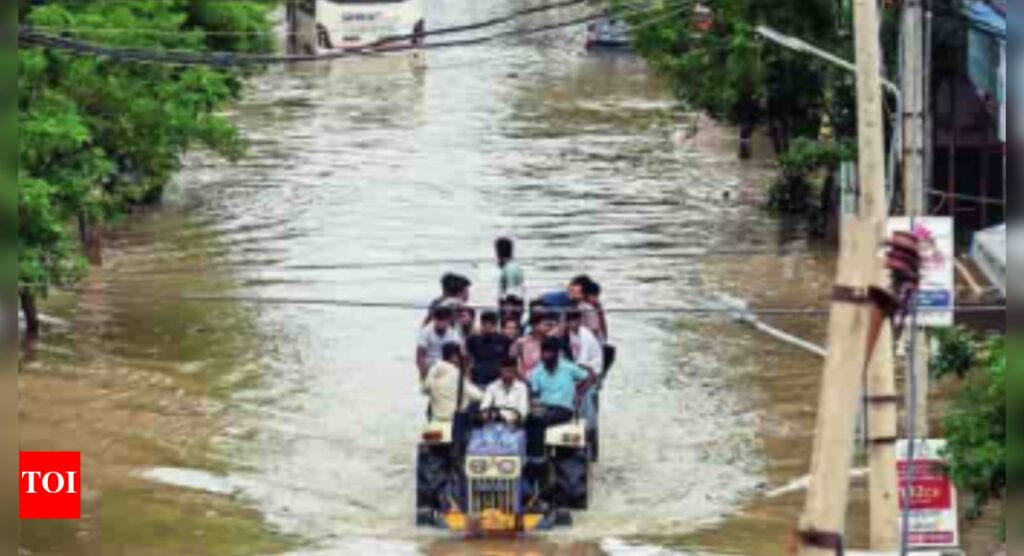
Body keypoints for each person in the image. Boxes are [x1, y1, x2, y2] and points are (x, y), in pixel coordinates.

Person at [525, 338, 594, 456]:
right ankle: (533, 455)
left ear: (557, 354)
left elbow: (589, 376)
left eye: (550, 352)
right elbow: (535, 394)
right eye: (544, 352)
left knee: (539, 420)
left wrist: (580, 393)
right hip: (544, 407)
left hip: (563, 409)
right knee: (530, 419)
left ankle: (538, 456)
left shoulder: (568, 368)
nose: (546, 355)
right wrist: (534, 408)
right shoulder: (537, 372)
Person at [422, 342, 482, 422]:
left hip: (435, 419)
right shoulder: (457, 374)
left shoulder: (434, 368)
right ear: (454, 357)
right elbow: (477, 396)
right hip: (453, 421)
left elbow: (424, 389)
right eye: (460, 357)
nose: (461, 359)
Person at [466, 311, 512, 388]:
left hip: (498, 383)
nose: (488, 327)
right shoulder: (473, 340)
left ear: (496, 325)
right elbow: (468, 361)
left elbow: (508, 361)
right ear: (482, 324)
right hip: (478, 380)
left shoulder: (504, 340)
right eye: (485, 324)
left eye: (491, 324)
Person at [416, 306, 464, 380]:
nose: (441, 323)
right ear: (434, 319)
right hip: (430, 366)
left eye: (444, 320)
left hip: (447, 367)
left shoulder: (454, 334)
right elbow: (420, 356)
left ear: (448, 320)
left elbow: (459, 355)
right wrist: (424, 374)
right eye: (438, 320)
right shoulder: (425, 332)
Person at [481, 359, 529, 426]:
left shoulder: (522, 387)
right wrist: (490, 416)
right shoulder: (491, 387)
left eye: (511, 371)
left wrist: (513, 419)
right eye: (506, 371)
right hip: (494, 423)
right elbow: (484, 407)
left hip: (515, 425)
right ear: (500, 370)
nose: (508, 374)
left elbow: (523, 410)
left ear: (515, 372)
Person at [511, 311, 555, 380]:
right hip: (527, 379)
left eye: (550, 326)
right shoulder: (521, 342)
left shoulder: (552, 342)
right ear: (535, 325)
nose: (549, 328)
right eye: (546, 325)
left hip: (548, 380)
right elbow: (514, 359)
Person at [566, 308, 603, 375]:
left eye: (573, 320)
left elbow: (582, 360)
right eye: (568, 321)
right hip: (578, 365)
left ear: (579, 320)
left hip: (592, 368)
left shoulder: (586, 336)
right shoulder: (569, 332)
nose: (570, 323)